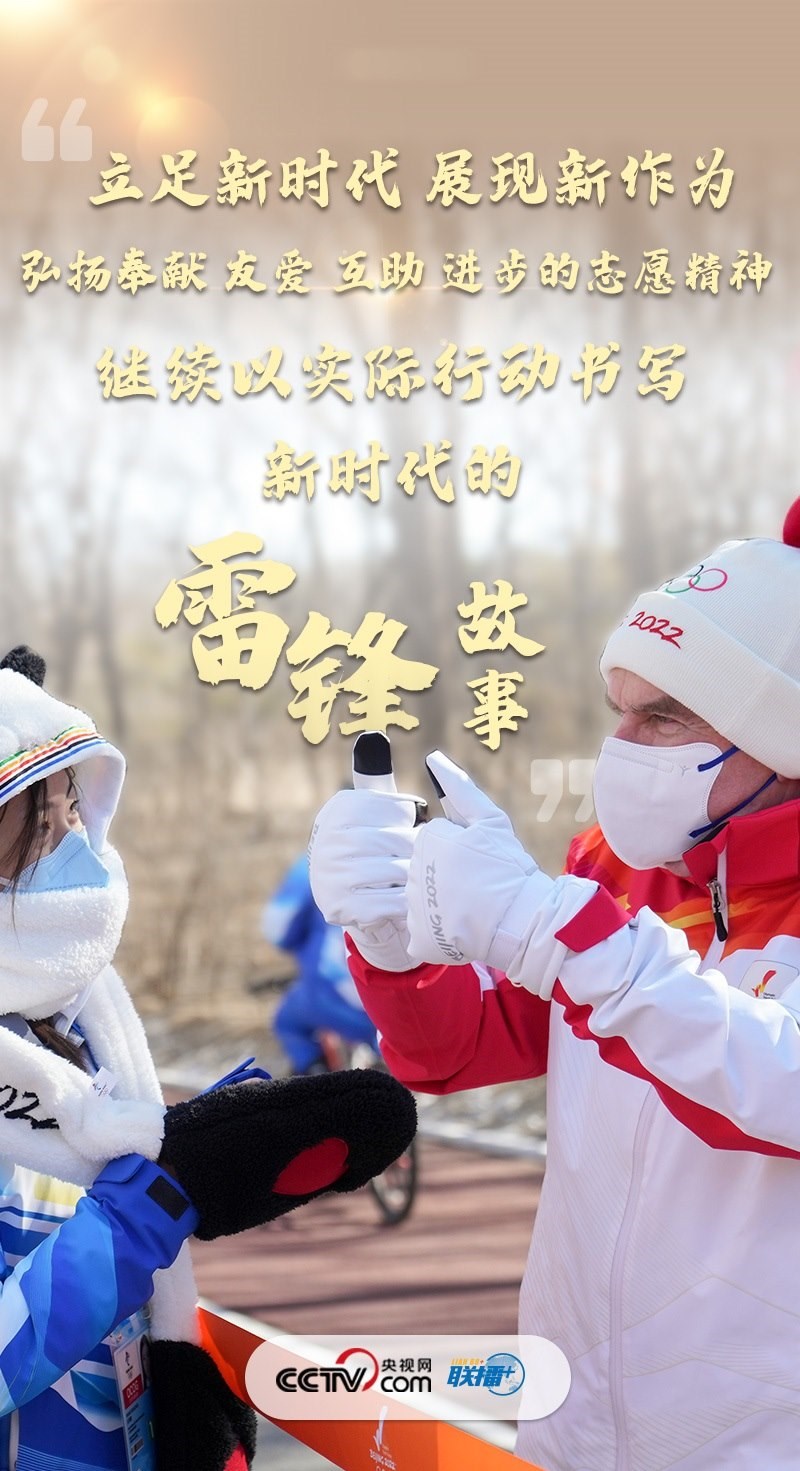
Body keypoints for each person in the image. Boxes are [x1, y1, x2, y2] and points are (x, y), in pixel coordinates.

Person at [309, 499, 800, 1471]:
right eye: (619, 706)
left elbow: (775, 1086)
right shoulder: (613, 867)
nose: (622, 742)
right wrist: (398, 946)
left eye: (663, 715)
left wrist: (560, 934)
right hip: (572, 1420)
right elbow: (455, 1050)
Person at [0, 646, 417, 1471]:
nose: (76, 841)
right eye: (42, 824)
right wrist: (149, 1205)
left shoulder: (78, 1011)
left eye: (75, 806)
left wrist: (196, 1145)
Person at [263, 854, 378, 1073]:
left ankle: (316, 1075)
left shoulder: (311, 865)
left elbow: (277, 931)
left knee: (288, 1024)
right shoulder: (411, 851)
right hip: (406, 1003)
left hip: (334, 997)